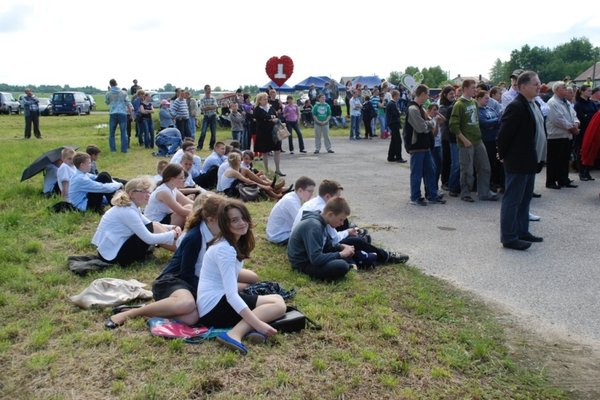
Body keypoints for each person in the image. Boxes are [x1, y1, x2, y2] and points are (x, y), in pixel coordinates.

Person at [197, 200, 286, 354]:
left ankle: (247, 330)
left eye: (243, 218)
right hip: (214, 308)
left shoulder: (229, 243)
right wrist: (259, 324)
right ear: (225, 224)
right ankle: (234, 334)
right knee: (278, 306)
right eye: (234, 220)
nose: (242, 223)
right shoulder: (225, 250)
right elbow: (232, 295)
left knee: (278, 299)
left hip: (213, 303)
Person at [497, 71, 545, 251]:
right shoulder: (516, 106)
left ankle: (522, 231)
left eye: (539, 83)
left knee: (525, 199)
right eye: (535, 84)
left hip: (531, 161)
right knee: (513, 200)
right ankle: (509, 237)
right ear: (523, 86)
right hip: (518, 162)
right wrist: (502, 155)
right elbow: (503, 135)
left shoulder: (533, 104)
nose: (539, 86)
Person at [93, 177, 180, 268]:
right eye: (144, 191)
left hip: (110, 250)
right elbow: (149, 238)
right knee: (155, 227)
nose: (148, 195)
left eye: (149, 192)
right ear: (132, 193)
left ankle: (184, 250)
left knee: (155, 225)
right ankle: (184, 251)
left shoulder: (131, 207)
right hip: (113, 256)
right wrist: (173, 234)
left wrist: (172, 227)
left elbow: (150, 223)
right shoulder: (127, 211)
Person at [287, 197, 357, 281]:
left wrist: (341, 247)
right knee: (342, 266)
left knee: (353, 244)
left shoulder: (322, 221)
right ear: (330, 214)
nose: (342, 224)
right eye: (340, 220)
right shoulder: (314, 226)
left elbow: (326, 245)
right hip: (303, 264)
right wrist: (341, 254)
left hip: (311, 257)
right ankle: (350, 265)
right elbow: (316, 259)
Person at [450, 79, 496, 202]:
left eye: (475, 87)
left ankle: (484, 192)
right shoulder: (459, 105)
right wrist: (463, 139)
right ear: (465, 89)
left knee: (485, 167)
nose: (475, 90)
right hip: (466, 143)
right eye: (472, 87)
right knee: (467, 170)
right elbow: (453, 125)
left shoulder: (474, 103)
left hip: (478, 140)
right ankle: (465, 193)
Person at [405, 85, 446, 206]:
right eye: (427, 94)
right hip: (417, 146)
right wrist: (431, 123)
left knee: (430, 172)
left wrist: (429, 123)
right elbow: (421, 127)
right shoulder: (413, 109)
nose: (428, 97)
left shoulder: (420, 108)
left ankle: (432, 195)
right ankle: (415, 197)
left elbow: (428, 124)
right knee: (417, 173)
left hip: (425, 145)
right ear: (422, 94)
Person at [545, 81, 580, 189]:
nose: (566, 89)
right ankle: (551, 181)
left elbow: (573, 114)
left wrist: (576, 123)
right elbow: (557, 119)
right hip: (556, 136)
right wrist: (572, 128)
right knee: (554, 159)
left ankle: (563, 179)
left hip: (567, 135)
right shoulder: (552, 103)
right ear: (556, 90)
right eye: (563, 87)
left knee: (564, 159)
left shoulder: (567, 102)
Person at [266, 176, 316, 244]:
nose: (312, 194)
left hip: (276, 233)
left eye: (312, 191)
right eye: (310, 191)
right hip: (279, 236)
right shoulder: (291, 201)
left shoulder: (292, 197)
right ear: (300, 190)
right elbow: (303, 222)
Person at [144, 163, 194, 228]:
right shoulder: (164, 192)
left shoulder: (172, 188)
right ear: (172, 179)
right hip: (154, 225)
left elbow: (189, 202)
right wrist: (203, 213)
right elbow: (181, 211)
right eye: (181, 178)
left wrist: (205, 207)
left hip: (163, 219)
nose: (184, 180)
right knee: (183, 214)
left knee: (190, 206)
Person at [476, 90, 504, 192]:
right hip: (485, 140)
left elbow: (498, 122)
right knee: (488, 163)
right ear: (479, 98)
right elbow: (484, 123)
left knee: (496, 163)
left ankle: (496, 182)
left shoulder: (490, 109)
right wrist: (495, 122)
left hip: (494, 139)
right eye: (486, 98)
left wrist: (494, 124)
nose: (488, 100)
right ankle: (488, 183)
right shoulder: (478, 111)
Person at [253, 92, 285, 176]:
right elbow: (263, 116)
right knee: (265, 152)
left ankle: (278, 170)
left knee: (277, 150)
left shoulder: (271, 107)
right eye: (264, 99)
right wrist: (271, 118)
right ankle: (266, 171)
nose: (266, 100)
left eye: (267, 99)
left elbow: (276, 116)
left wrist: (272, 118)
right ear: (259, 100)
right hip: (263, 133)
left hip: (274, 132)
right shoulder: (257, 109)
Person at [574, 85, 598, 181]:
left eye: (590, 90)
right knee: (581, 151)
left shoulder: (592, 103)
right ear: (582, 92)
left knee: (590, 151)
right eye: (588, 90)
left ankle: (587, 172)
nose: (590, 92)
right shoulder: (578, 104)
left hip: (592, 130)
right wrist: (590, 116)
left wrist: (588, 115)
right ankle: (581, 172)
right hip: (582, 131)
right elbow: (581, 118)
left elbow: (596, 115)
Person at [105, 79, 132, 153]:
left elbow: (107, 102)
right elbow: (128, 103)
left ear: (110, 84)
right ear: (117, 83)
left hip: (113, 113)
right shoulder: (123, 93)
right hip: (122, 113)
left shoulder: (108, 93)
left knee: (112, 133)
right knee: (124, 132)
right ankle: (124, 150)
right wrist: (131, 113)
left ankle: (113, 150)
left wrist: (108, 91)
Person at [386, 90, 405, 163]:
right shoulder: (392, 104)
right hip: (393, 124)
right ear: (395, 96)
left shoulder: (392, 103)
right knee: (398, 141)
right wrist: (399, 112)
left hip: (393, 123)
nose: (399, 97)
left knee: (394, 141)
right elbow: (396, 113)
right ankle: (398, 157)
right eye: (398, 95)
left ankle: (390, 157)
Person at [198, 84, 218, 150]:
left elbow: (215, 106)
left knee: (213, 132)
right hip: (206, 116)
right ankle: (199, 146)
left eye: (210, 89)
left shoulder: (213, 98)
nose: (209, 90)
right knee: (203, 132)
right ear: (205, 90)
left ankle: (211, 146)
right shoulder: (202, 99)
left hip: (213, 116)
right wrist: (210, 107)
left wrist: (208, 107)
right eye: (208, 89)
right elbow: (202, 108)